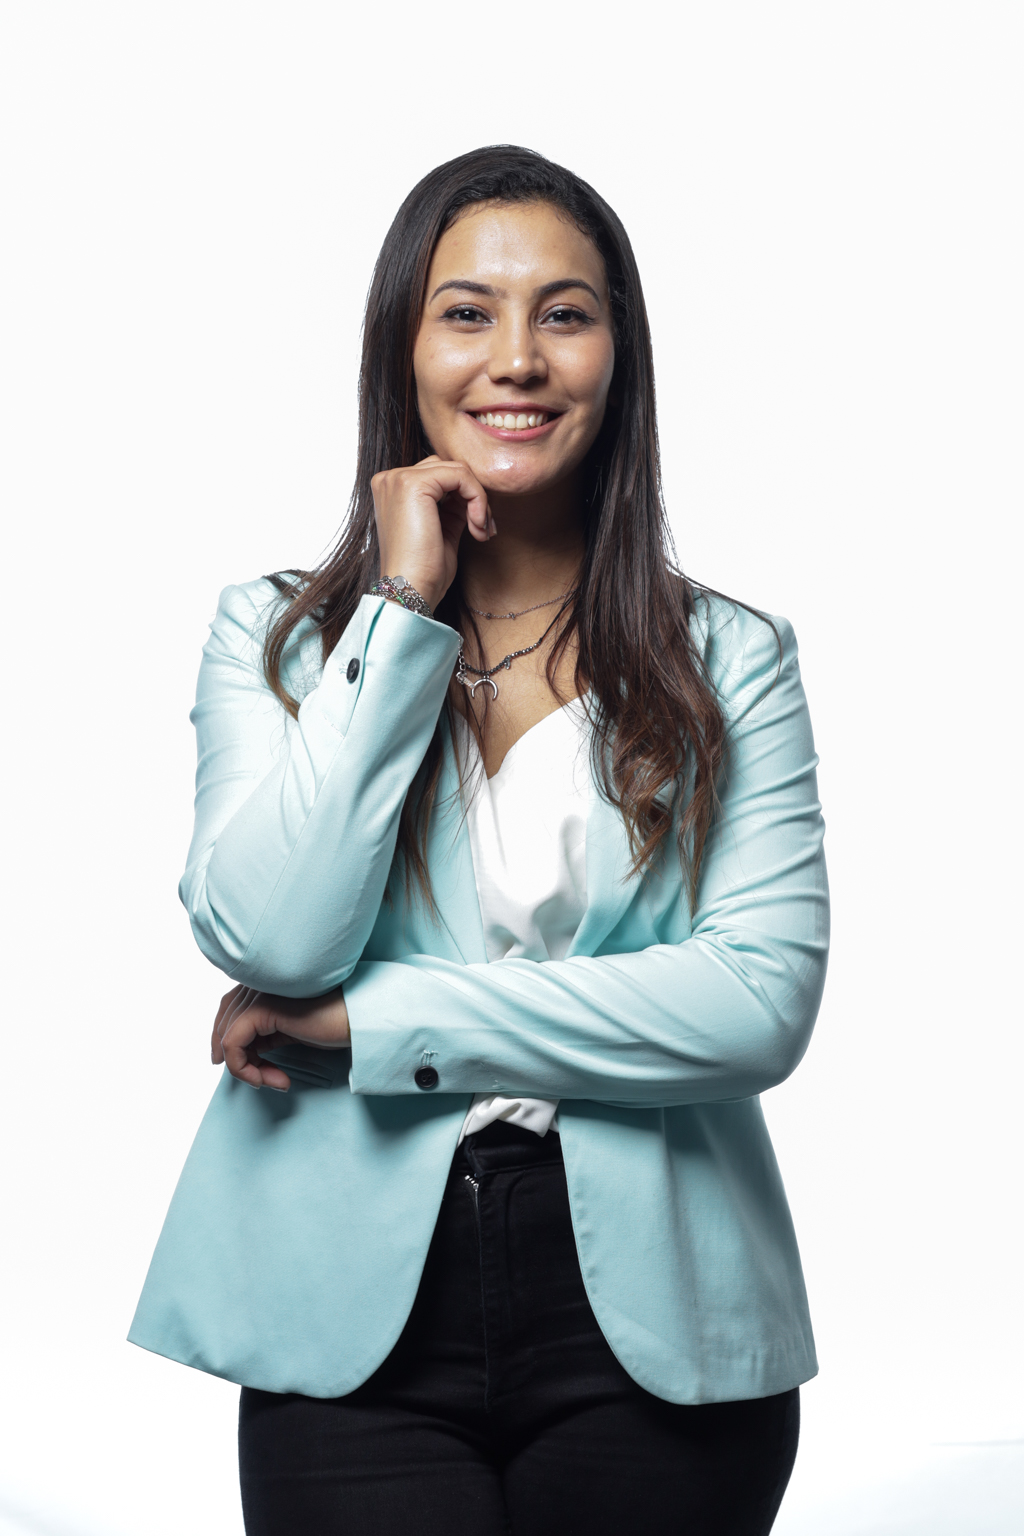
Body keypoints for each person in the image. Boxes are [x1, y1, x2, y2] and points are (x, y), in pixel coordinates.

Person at [130, 144, 829, 1536]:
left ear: (620, 356)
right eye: (468, 312)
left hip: (659, 1314)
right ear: (404, 348)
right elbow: (274, 937)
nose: (517, 359)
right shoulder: (280, 638)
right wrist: (399, 610)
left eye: (565, 313)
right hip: (343, 1312)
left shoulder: (730, 657)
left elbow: (756, 1006)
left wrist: (372, 1027)